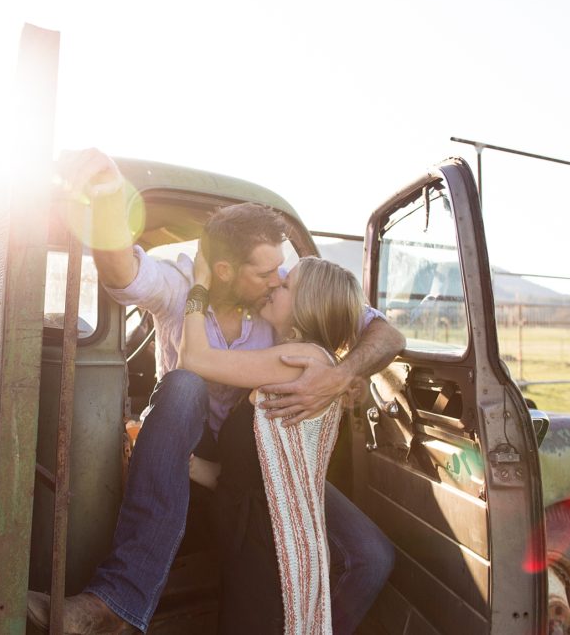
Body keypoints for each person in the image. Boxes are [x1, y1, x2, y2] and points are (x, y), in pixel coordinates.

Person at [27, 148, 406, 634]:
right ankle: (117, 602)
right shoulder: (184, 287)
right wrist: (107, 198)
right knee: (185, 386)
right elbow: (124, 276)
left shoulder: (289, 302)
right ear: (225, 271)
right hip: (193, 445)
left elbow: (387, 335)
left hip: (263, 460)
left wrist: (339, 375)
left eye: (282, 271)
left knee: (371, 557)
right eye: (266, 273)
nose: (279, 279)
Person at [179, 250, 366, 634]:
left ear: (305, 306)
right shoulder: (312, 361)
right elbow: (256, 479)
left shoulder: (301, 358)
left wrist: (199, 285)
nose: (274, 285)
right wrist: (190, 466)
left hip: (269, 554)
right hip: (260, 544)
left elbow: (193, 358)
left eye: (286, 284)